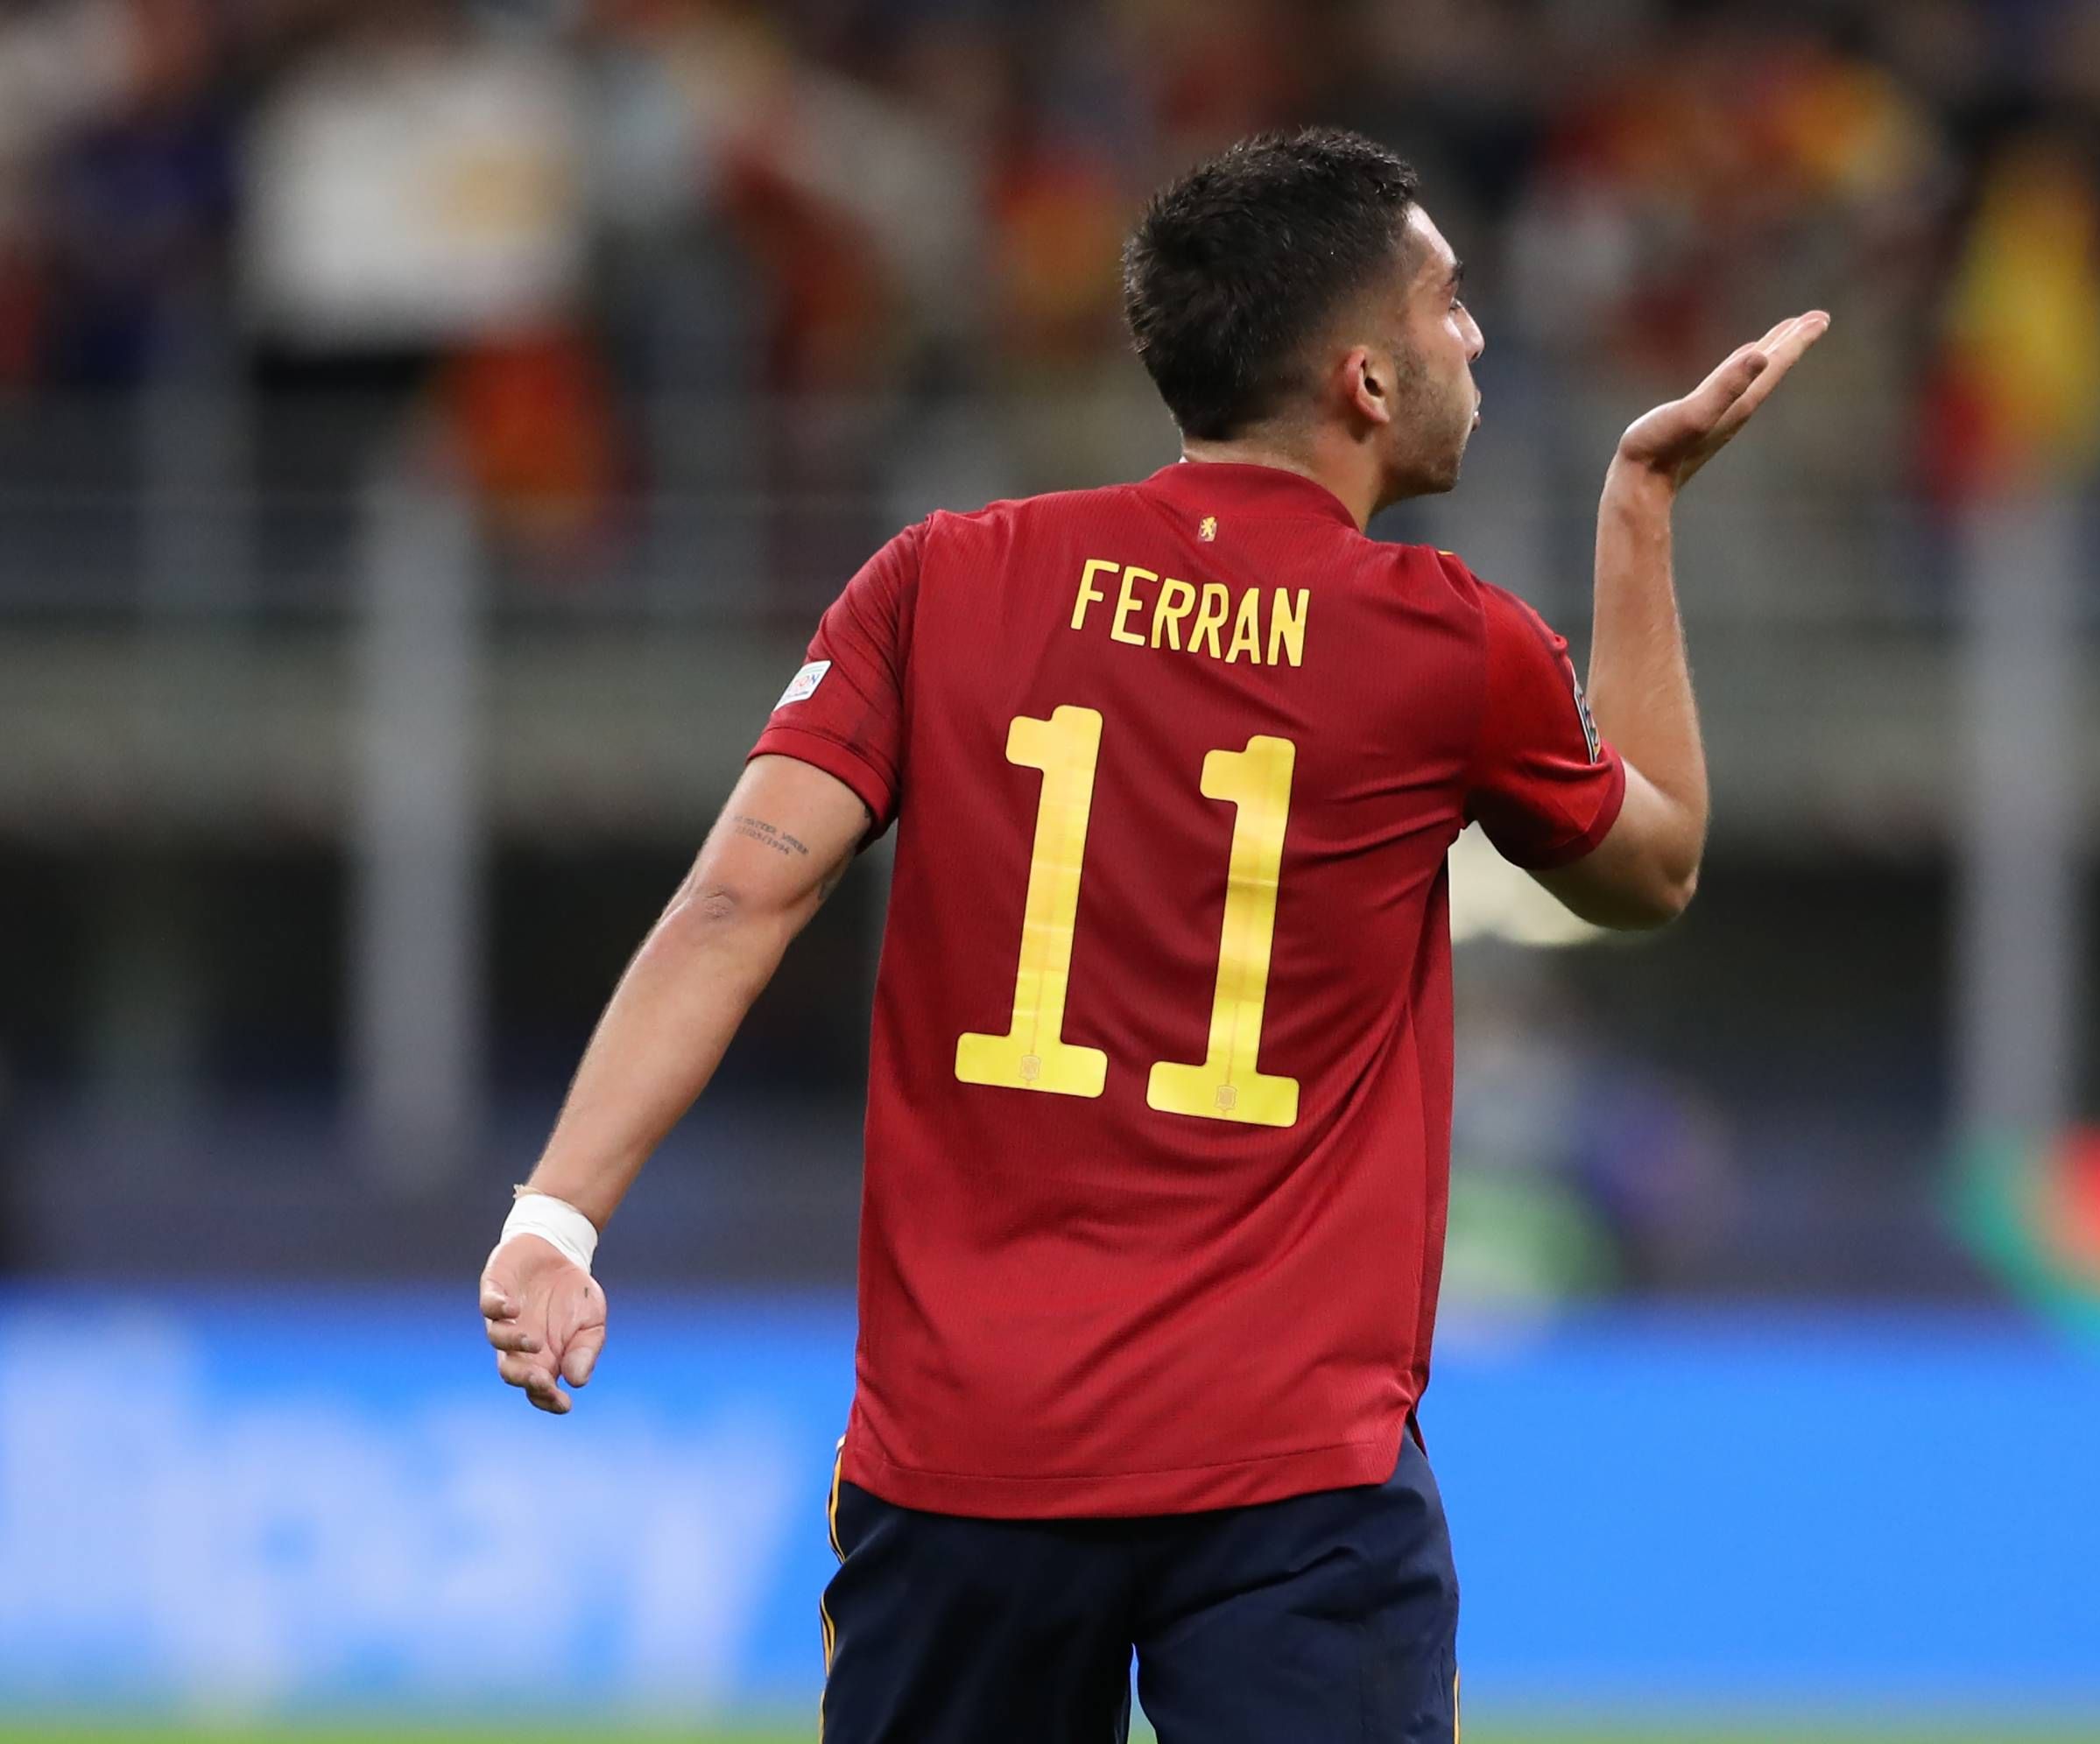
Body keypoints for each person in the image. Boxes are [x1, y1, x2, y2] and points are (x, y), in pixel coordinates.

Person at [476, 127, 1824, 1742]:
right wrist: (1642, 509)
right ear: (1365, 381)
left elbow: (737, 899)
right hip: (1295, 1483)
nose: (1474, 333)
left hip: (967, 1465)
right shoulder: (1450, 647)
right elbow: (1654, 868)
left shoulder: (942, 581)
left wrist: (559, 1216)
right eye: (1447, 302)